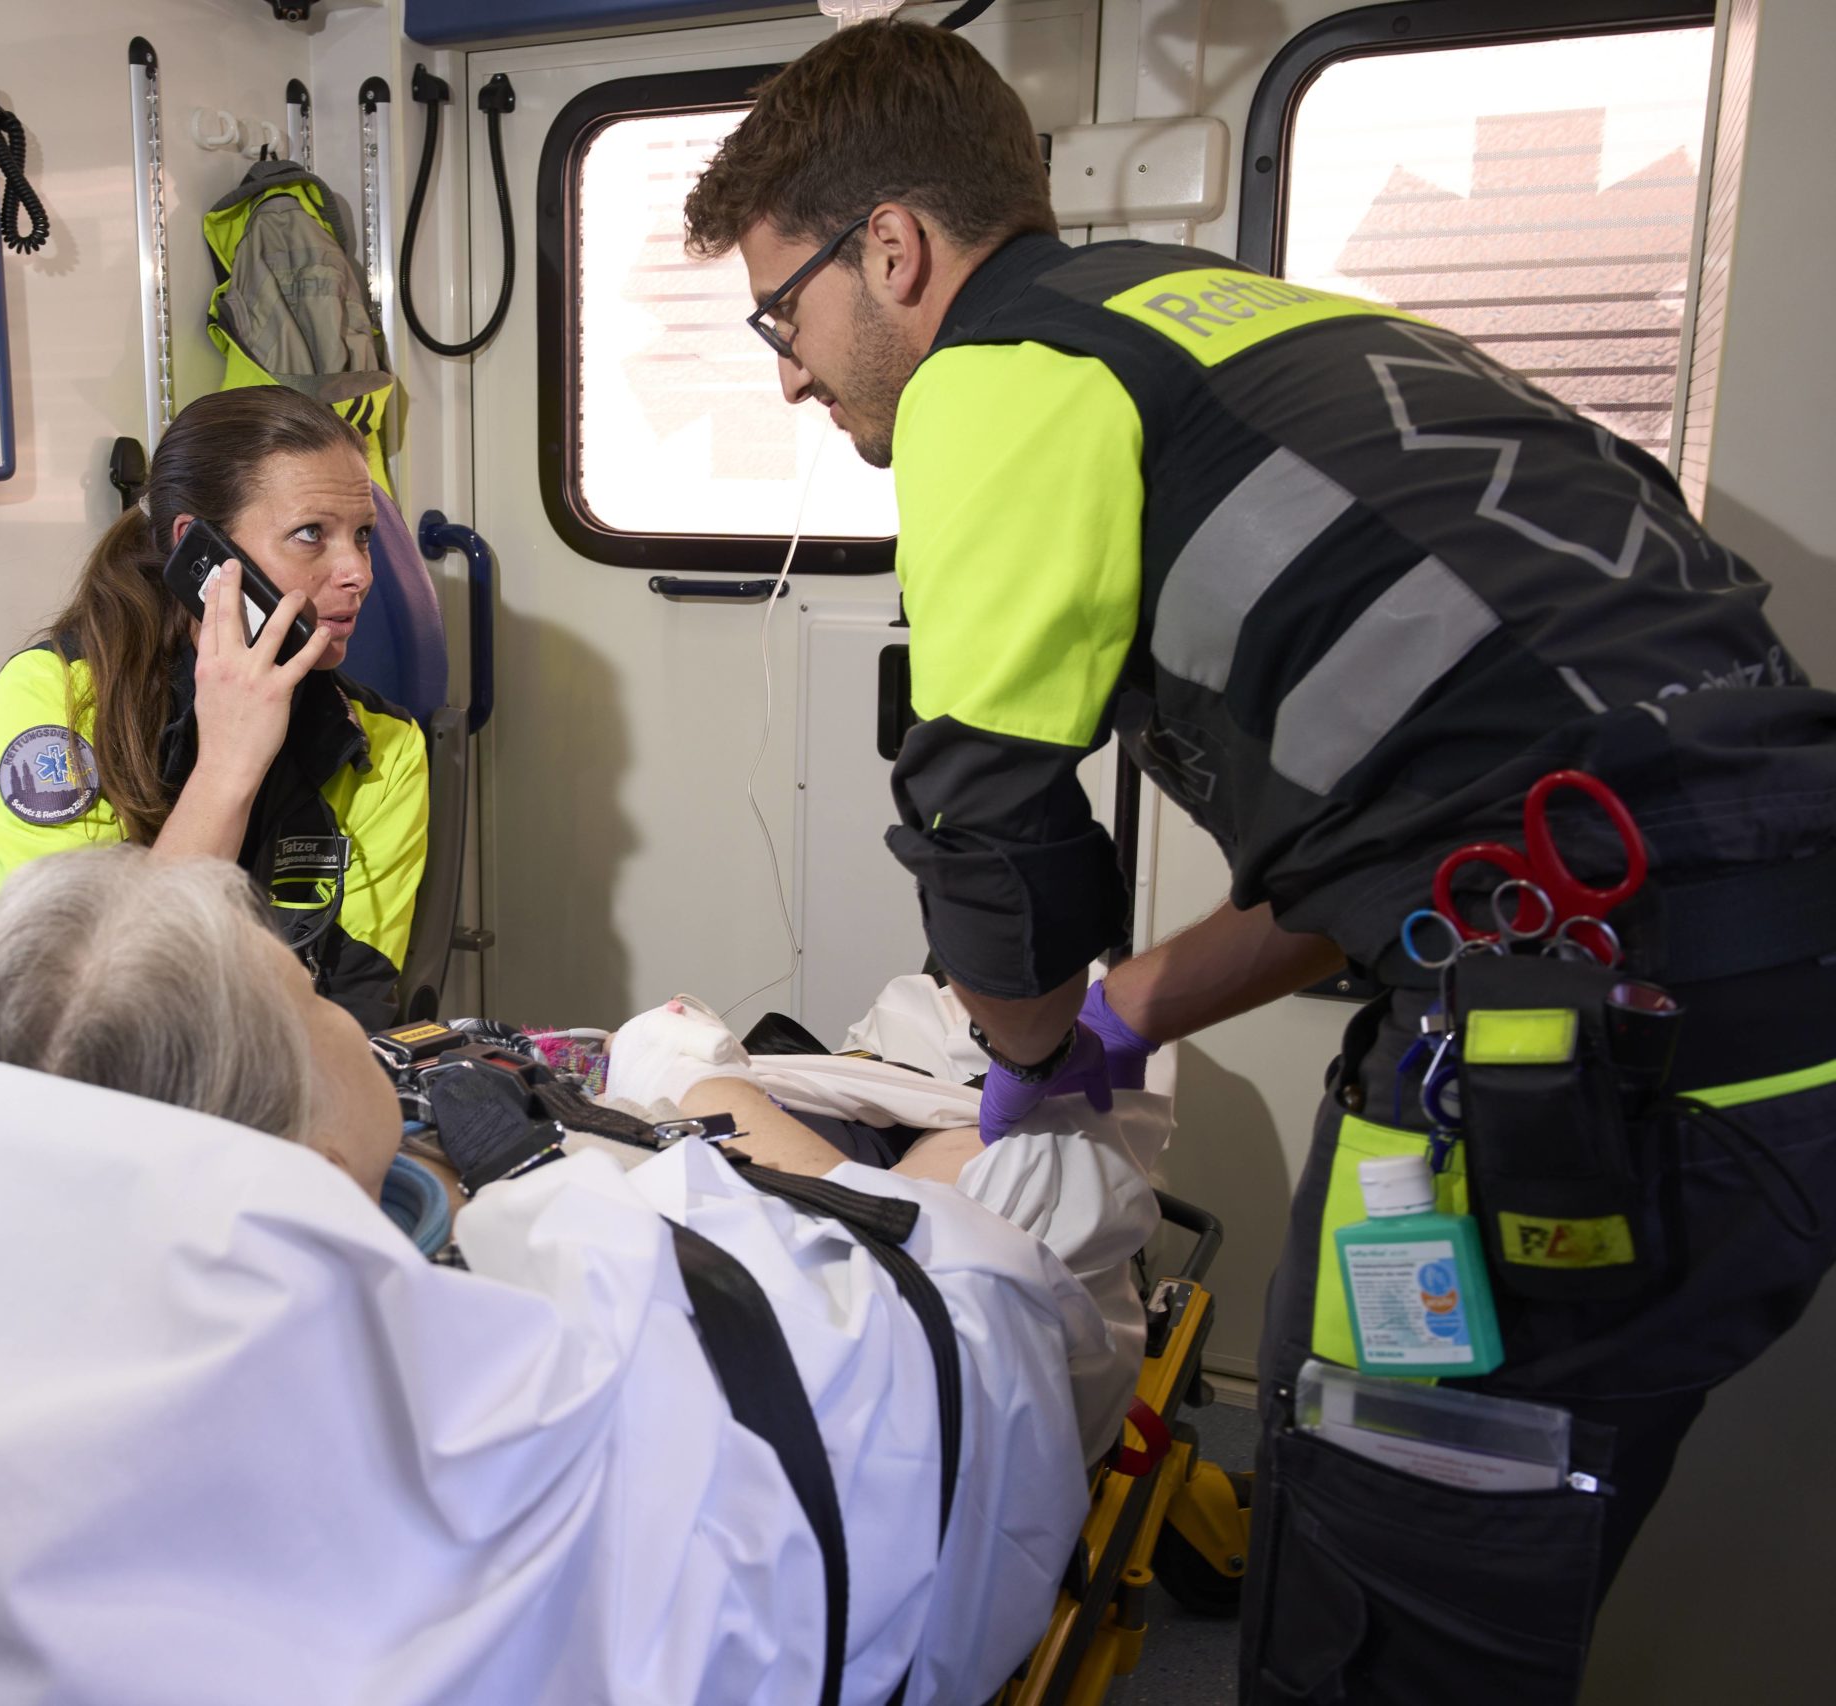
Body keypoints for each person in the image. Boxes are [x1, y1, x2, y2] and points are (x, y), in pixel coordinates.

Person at [683, 17, 1836, 1703]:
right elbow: (1425, 828)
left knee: (1388, 1594)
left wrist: (1022, 1061)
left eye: (783, 315)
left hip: (1576, 1069)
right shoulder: (1259, 327)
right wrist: (1120, 1019)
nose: (790, 372)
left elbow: (983, 824)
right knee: (1513, 1551)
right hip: (1761, 1018)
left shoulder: (1000, 378)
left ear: (898, 250)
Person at [0, 845, 1106, 1705]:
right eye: (331, 1006)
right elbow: (939, 1428)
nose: (360, 1019)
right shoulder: (508, 1339)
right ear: (292, 1140)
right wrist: (751, 1151)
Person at [0, 386, 427, 1029]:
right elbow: (90, 1006)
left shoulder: (384, 747)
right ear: (202, 551)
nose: (358, 572)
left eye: (365, 535)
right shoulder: (57, 702)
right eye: (311, 534)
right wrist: (228, 764)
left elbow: (352, 1013)